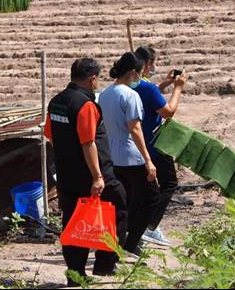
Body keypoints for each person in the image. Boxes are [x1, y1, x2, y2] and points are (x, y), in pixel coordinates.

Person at [44, 58, 128, 285]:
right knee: (117, 208)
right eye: (97, 78)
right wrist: (98, 176)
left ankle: (75, 275)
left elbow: (50, 134)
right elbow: (88, 142)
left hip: (66, 176)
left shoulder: (57, 102)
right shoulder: (85, 105)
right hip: (92, 175)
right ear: (92, 79)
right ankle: (104, 264)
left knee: (72, 223)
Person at [98, 52, 158, 256]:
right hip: (132, 155)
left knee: (123, 202)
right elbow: (135, 129)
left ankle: (121, 242)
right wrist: (148, 160)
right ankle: (131, 243)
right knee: (149, 199)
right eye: (140, 73)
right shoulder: (131, 95)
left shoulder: (105, 93)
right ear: (133, 72)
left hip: (112, 154)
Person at [133, 46, 186, 247]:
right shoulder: (147, 87)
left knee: (142, 189)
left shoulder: (133, 83)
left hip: (138, 144)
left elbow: (152, 91)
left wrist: (165, 83)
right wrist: (178, 87)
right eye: (153, 63)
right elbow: (168, 111)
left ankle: (141, 227)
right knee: (169, 184)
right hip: (154, 144)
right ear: (147, 64)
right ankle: (149, 227)